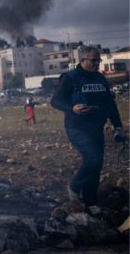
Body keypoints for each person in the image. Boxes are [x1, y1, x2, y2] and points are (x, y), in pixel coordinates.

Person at [51, 46, 125, 206]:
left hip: (97, 127)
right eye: (94, 60)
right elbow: (55, 100)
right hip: (77, 128)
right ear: (82, 60)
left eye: (99, 60)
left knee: (97, 166)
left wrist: (118, 126)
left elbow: (110, 103)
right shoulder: (70, 78)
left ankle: (91, 202)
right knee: (93, 159)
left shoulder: (100, 78)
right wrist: (72, 109)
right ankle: (74, 188)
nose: (97, 63)